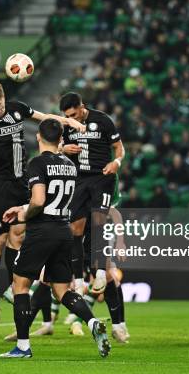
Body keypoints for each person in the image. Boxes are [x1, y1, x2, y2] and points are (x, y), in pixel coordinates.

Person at [0, 79, 85, 321]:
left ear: (4, 98)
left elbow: (44, 118)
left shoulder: (17, 108)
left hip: (22, 183)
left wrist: (68, 120)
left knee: (17, 236)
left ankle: (14, 287)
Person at [0, 119, 110, 358]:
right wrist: (21, 206)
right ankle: (91, 322)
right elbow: (52, 199)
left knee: (20, 285)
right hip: (63, 231)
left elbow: (39, 201)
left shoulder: (37, 164)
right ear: (61, 138)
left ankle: (23, 347)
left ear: (38, 136)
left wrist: (23, 213)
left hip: (42, 231)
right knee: (61, 290)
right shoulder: (69, 164)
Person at [59, 92, 125, 296]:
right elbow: (53, 146)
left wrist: (116, 162)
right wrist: (63, 149)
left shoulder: (103, 120)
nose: (72, 118)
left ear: (82, 106)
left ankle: (101, 274)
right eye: (67, 115)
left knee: (98, 223)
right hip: (79, 179)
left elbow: (119, 148)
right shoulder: (66, 125)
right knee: (75, 229)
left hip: (101, 178)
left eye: (74, 114)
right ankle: (78, 279)